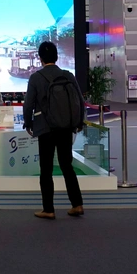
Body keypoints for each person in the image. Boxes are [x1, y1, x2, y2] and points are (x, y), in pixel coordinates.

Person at [23, 41, 84, 220]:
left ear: (40, 58)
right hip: (66, 126)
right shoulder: (68, 75)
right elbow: (79, 100)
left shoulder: (36, 77)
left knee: (46, 168)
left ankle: (48, 209)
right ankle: (77, 204)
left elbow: (29, 104)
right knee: (67, 166)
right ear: (56, 57)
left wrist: (28, 123)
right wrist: (78, 122)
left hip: (45, 127)